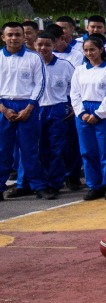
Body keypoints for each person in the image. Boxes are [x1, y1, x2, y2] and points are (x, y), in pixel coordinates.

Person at [71, 34, 106, 200]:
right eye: (86, 50)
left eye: (92, 49)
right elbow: (74, 94)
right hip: (83, 111)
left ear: (101, 49)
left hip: (103, 112)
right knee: (87, 151)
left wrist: (98, 114)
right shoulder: (79, 70)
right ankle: (94, 185)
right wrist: (82, 113)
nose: (89, 53)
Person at [0, 21, 44, 200]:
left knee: (29, 149)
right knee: (3, 150)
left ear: (24, 37)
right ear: (3, 37)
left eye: (18, 34)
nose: (14, 38)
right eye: (10, 35)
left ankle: (37, 186)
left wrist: (29, 107)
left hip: (27, 106)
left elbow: (40, 84)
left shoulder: (34, 58)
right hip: (3, 106)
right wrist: (3, 109)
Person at [31, 28, 75, 199]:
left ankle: (55, 183)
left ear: (54, 45)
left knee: (57, 147)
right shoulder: (31, 63)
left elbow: (75, 86)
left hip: (57, 108)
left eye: (47, 44)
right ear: (34, 45)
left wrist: (72, 105)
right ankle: (40, 183)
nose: (43, 48)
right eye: (40, 44)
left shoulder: (64, 65)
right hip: (36, 108)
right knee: (39, 147)